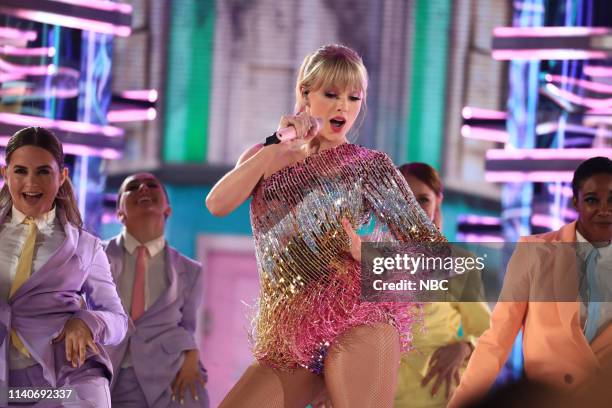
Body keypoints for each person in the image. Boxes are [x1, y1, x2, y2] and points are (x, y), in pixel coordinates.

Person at [206, 44, 446, 408]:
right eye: (331, 94)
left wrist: (368, 254)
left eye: (353, 98)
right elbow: (217, 204)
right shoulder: (265, 154)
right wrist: (276, 143)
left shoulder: (369, 166)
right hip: (289, 336)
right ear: (305, 93)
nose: (342, 107)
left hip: (359, 320)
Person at [448, 156, 612, 408]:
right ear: (575, 202)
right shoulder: (534, 253)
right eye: (592, 200)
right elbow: (497, 340)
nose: (604, 209)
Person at [0, 126, 127, 407]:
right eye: (20, 171)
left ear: (62, 177)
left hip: (66, 381)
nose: (31, 182)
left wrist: (87, 322)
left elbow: (119, 321)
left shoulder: (87, 247)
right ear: (5, 173)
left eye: (43, 171)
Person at [103, 172, 209, 407]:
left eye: (152, 185)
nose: (143, 188)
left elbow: (187, 328)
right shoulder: (94, 257)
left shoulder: (191, 271)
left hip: (170, 379)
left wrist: (192, 353)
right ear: (119, 212)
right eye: (132, 187)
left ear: (168, 209)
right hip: (108, 378)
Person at [394, 163, 491, 407]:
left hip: (439, 391)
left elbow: (488, 331)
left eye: (423, 200)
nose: (413, 209)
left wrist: (465, 347)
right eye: (404, 198)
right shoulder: (367, 261)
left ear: (438, 201)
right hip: (379, 392)